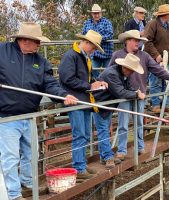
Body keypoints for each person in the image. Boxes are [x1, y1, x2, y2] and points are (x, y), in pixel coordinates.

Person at [0, 22, 77, 200]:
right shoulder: (2, 52)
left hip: (30, 116)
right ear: (26, 40)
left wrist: (63, 95)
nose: (39, 46)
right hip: (7, 117)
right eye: (37, 42)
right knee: (10, 158)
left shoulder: (41, 62)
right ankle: (13, 194)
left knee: (31, 153)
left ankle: (27, 182)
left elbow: (49, 84)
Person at [108, 30, 169, 161]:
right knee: (123, 123)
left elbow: (157, 69)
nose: (138, 43)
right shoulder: (117, 55)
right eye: (136, 40)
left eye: (139, 41)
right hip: (123, 95)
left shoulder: (144, 56)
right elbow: (110, 72)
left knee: (139, 122)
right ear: (128, 41)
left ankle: (139, 146)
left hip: (139, 94)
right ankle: (121, 150)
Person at [58, 30, 108, 179]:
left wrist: (95, 82)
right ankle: (79, 167)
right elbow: (67, 79)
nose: (93, 51)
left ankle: (81, 163)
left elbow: (87, 79)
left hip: (84, 101)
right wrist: (89, 86)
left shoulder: (84, 57)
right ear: (86, 43)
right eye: (93, 48)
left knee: (85, 134)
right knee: (79, 134)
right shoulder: (70, 56)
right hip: (75, 101)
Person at [94, 53, 146, 168]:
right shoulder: (111, 74)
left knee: (105, 130)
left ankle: (104, 156)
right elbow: (120, 92)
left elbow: (127, 87)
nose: (132, 73)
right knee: (103, 130)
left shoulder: (122, 74)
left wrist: (136, 92)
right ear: (125, 67)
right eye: (131, 70)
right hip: (99, 104)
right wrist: (136, 95)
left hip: (107, 105)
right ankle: (108, 157)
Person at [82, 4, 113, 78]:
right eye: (94, 13)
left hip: (106, 53)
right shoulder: (87, 23)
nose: (96, 15)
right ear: (92, 14)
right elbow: (83, 35)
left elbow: (110, 34)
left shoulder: (107, 22)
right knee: (92, 70)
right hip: (94, 54)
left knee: (108, 73)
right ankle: (99, 84)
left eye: (98, 13)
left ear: (101, 13)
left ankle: (106, 87)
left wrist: (96, 40)